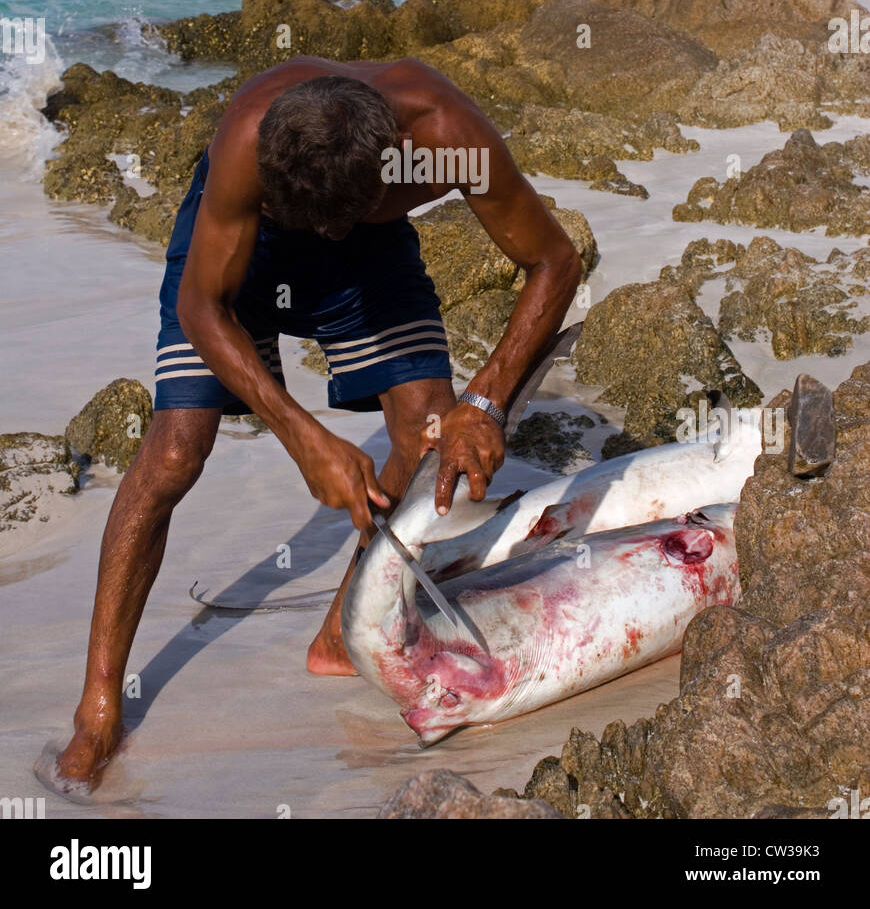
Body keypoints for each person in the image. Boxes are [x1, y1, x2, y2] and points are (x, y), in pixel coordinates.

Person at [55, 57, 582, 787]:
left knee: (427, 430)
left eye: (339, 216)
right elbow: (201, 308)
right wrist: (303, 435)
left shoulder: (445, 135)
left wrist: (482, 402)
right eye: (314, 218)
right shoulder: (248, 144)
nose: (324, 233)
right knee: (176, 452)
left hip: (370, 249)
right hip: (250, 245)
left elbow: (554, 261)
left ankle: (340, 629)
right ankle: (98, 705)